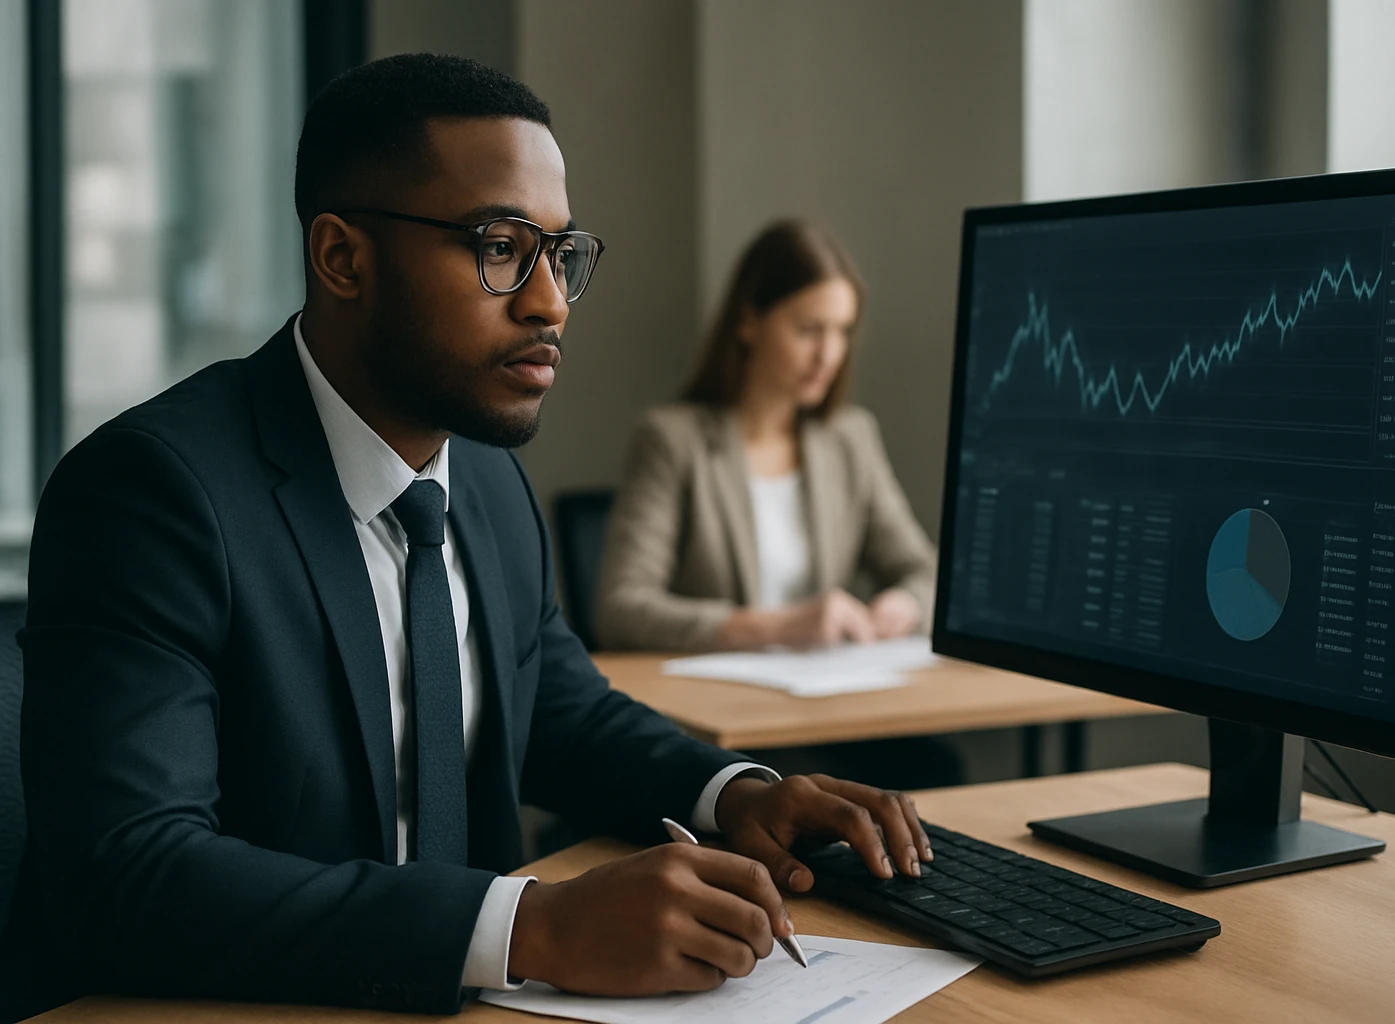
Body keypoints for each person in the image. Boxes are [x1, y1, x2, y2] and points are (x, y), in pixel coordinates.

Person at [0, 55, 932, 1021]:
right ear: (342, 258)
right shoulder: (153, 494)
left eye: (560, 254)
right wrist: (534, 928)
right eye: (499, 247)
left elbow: (561, 714)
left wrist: (734, 795)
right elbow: (130, 873)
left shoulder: (484, 478)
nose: (549, 301)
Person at [594, 221, 938, 653]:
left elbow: (925, 572)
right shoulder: (671, 441)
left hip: (828, 687)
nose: (830, 355)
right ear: (748, 321)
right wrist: (777, 627)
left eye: (842, 331)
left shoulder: (851, 438)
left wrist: (906, 604)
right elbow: (622, 609)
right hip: (714, 691)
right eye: (810, 330)